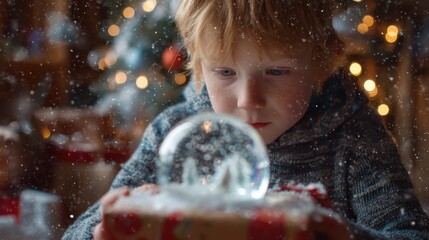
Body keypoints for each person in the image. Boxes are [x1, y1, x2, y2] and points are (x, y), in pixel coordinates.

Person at [63, 0, 429, 239]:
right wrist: (106, 229)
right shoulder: (172, 133)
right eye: (224, 71)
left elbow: (410, 234)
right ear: (198, 65)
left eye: (276, 71)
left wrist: (337, 233)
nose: (247, 100)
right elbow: (79, 232)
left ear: (324, 60)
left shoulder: (353, 136)